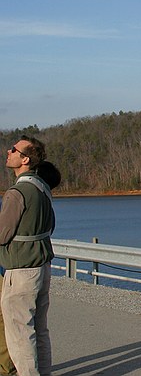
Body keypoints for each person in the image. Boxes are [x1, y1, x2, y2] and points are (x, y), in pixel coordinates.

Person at [1, 136, 56, 376]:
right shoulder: (42, 188)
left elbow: (2, 234)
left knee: (20, 335)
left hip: (20, 270)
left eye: (13, 149)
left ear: (25, 159)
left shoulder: (17, 192)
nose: (8, 151)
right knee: (39, 330)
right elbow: (51, 225)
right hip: (42, 267)